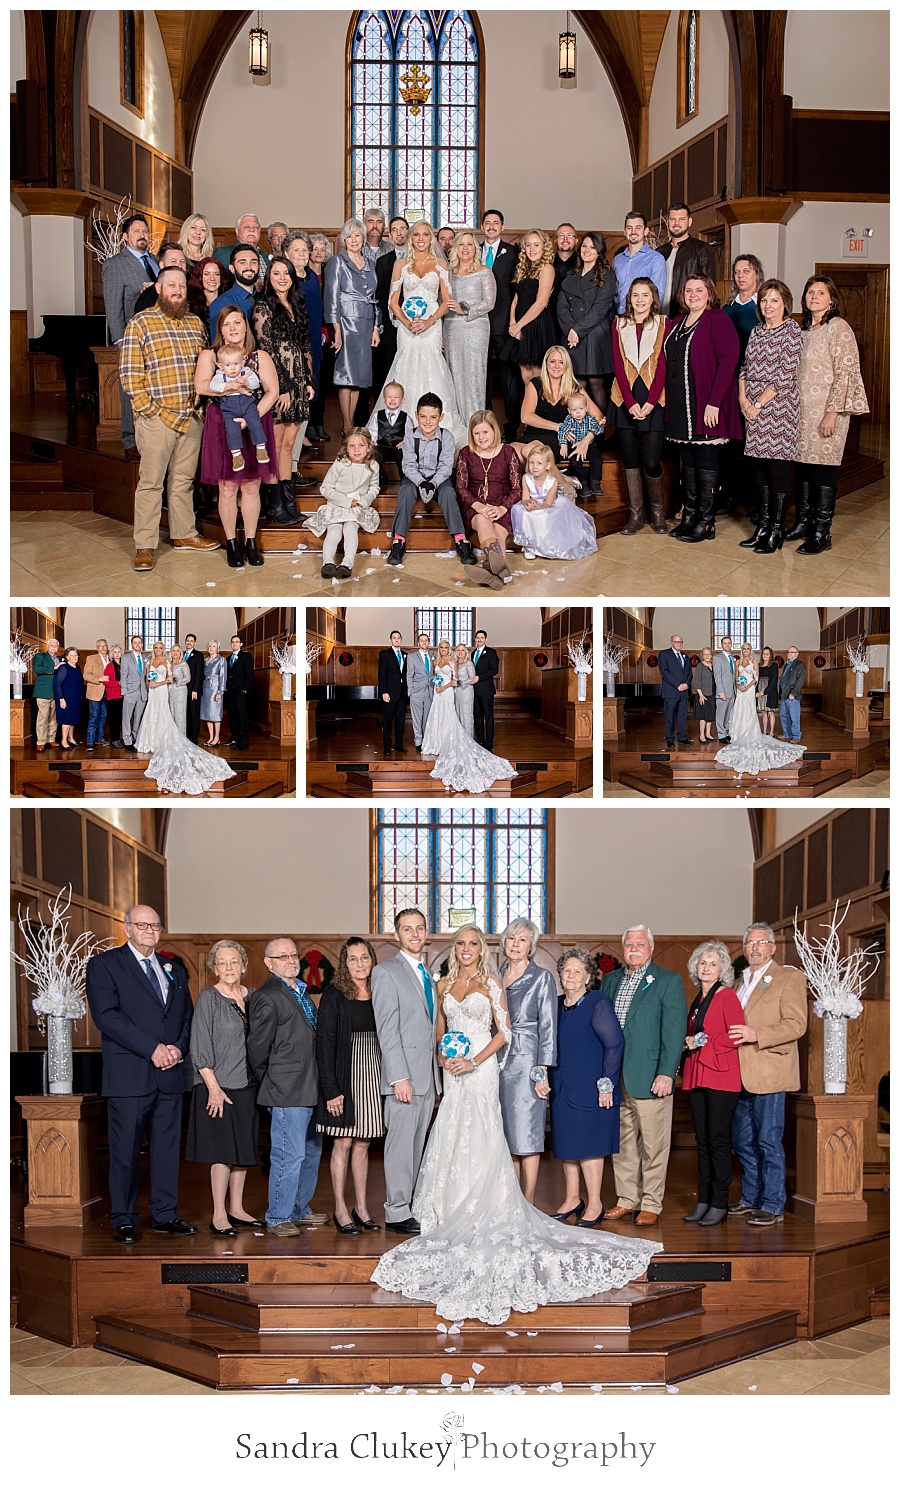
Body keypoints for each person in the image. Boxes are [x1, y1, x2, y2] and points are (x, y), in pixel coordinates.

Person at [372, 924, 661, 1323]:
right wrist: (445, 1057)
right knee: (451, 1134)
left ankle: (488, 1201)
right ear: (454, 949)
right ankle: (447, 1205)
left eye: (474, 943)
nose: (468, 949)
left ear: (481, 949)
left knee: (488, 1135)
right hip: (454, 1073)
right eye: (461, 943)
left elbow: (504, 1031)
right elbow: (439, 1030)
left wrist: (473, 1060)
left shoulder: (493, 981)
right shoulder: (442, 986)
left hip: (483, 1068)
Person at [85, 905, 196, 1243]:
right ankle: (123, 1216)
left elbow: (186, 1017)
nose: (149, 929)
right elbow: (107, 1017)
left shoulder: (173, 969)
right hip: (130, 1074)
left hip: (170, 1075)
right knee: (126, 1151)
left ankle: (165, 1214)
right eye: (142, 924)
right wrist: (153, 1048)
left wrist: (178, 1047)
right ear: (127, 928)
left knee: (165, 1150)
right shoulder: (105, 965)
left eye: (155, 925)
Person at [119, 265, 220, 572]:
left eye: (181, 286)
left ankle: (183, 534)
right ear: (159, 289)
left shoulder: (194, 324)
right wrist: (149, 410)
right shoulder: (140, 323)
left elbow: (205, 371)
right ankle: (145, 545)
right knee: (150, 483)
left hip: (190, 416)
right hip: (157, 418)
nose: (177, 290)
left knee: (183, 481)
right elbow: (130, 376)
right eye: (170, 285)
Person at [599, 926, 687, 1226]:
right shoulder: (610, 980)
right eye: (628, 944)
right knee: (622, 1144)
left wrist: (666, 1073)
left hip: (650, 1076)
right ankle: (626, 1199)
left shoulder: (667, 981)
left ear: (651, 946)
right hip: (616, 1076)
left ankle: (651, 1203)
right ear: (622, 948)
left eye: (640, 944)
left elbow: (674, 1032)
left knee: (653, 1145)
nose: (633, 949)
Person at [729, 922, 808, 1226]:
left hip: (770, 1071)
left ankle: (773, 1204)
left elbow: (796, 1025)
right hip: (739, 1074)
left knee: (768, 1141)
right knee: (744, 1141)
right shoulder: (739, 981)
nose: (755, 948)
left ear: (772, 948)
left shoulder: (789, 978)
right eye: (749, 943)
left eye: (761, 943)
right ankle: (751, 1198)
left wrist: (755, 1033)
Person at [247, 938, 326, 1235]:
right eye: (283, 956)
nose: (291, 960)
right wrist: (275, 1079)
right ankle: (279, 1216)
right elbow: (257, 1049)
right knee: (288, 1154)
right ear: (269, 963)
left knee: (311, 1150)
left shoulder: (300, 991)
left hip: (310, 1085)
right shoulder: (268, 995)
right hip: (286, 1088)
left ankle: (298, 1208)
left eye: (294, 955)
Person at [371, 907, 441, 1233]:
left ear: (426, 933)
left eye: (420, 928)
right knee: (399, 1148)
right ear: (396, 934)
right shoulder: (386, 972)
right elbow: (387, 1030)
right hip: (405, 1078)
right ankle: (396, 1212)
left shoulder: (428, 974)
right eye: (407, 929)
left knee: (415, 1147)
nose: (414, 934)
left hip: (427, 1077)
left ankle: (410, 1206)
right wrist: (399, 1076)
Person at [195, 306, 282, 562]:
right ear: (219, 329)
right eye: (226, 324)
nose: (233, 328)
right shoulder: (211, 356)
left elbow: (272, 391)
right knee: (228, 487)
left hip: (253, 422)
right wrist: (228, 388)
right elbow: (201, 386)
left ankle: (251, 542)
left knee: (252, 487)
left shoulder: (259, 356)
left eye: (237, 322)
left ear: (246, 326)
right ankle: (232, 543)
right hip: (222, 423)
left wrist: (249, 418)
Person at [187, 939, 261, 1236]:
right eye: (222, 962)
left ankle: (237, 1208)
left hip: (247, 1085)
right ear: (214, 967)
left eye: (234, 962)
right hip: (218, 1086)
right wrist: (214, 1089)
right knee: (222, 1152)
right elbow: (199, 1046)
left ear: (243, 965)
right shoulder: (209, 999)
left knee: (242, 1149)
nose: (228, 967)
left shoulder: (254, 997)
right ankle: (219, 1214)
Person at [793, 275, 869, 555]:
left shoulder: (839, 328)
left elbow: (846, 373)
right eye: (810, 292)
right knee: (801, 467)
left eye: (820, 293)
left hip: (827, 411)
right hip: (801, 412)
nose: (814, 297)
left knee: (823, 469)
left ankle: (822, 533)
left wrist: (833, 412)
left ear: (832, 299)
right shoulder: (803, 329)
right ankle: (803, 523)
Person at [664, 275, 742, 544]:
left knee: (707, 462)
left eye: (700, 290)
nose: (693, 295)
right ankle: (690, 516)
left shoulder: (716, 319)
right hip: (680, 405)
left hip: (706, 402)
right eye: (689, 290)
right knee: (688, 463)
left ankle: (707, 522)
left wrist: (714, 402)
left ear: (709, 294)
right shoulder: (676, 323)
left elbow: (729, 359)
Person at [550, 948, 625, 1225]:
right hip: (562, 1087)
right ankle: (572, 1199)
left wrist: (607, 1084)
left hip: (593, 1087)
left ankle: (595, 1203)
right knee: (567, 1145)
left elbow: (614, 1043)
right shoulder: (556, 1004)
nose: (570, 975)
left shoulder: (597, 1002)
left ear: (588, 977)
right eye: (566, 970)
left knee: (590, 1147)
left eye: (577, 971)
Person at [315, 937, 386, 1234]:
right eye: (353, 959)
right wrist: (331, 1090)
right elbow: (324, 1045)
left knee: (363, 1142)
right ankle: (340, 1209)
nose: (360, 964)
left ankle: (361, 1207)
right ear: (345, 963)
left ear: (372, 959)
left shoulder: (380, 990)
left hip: (374, 1072)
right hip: (345, 1074)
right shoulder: (334, 994)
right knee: (343, 1142)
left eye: (364, 957)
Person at [373, 220, 465, 443]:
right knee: (405, 365)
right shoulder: (401, 264)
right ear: (411, 238)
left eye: (425, 235)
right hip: (407, 326)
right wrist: (406, 322)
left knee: (431, 366)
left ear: (430, 238)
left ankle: (435, 423)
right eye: (416, 235)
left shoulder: (441, 265)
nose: (421, 239)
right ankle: (401, 424)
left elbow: (447, 301)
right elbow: (393, 301)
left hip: (431, 326)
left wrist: (429, 321)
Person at [681, 941, 744, 1226]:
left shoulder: (726, 996)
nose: (706, 967)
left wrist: (701, 1042)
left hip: (720, 1075)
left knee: (718, 1142)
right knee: (702, 1141)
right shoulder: (698, 999)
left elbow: (736, 1035)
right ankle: (703, 1199)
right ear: (696, 967)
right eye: (703, 962)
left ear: (722, 969)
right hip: (697, 1075)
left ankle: (719, 1202)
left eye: (713, 963)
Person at [737, 279, 803, 553]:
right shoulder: (756, 332)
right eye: (764, 300)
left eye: (774, 300)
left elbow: (785, 374)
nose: (768, 306)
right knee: (760, 467)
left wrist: (758, 404)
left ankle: (776, 529)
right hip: (751, 407)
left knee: (776, 468)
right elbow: (745, 367)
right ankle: (762, 526)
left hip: (779, 408)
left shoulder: (792, 331)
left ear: (785, 304)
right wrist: (743, 399)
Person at [386, 393, 480, 576]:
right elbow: (408, 465)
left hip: (439, 477)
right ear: (416, 415)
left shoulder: (447, 437)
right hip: (415, 477)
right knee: (405, 490)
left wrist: (433, 483)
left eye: (433, 417)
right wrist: (421, 482)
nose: (427, 421)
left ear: (441, 417)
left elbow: (445, 467)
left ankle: (461, 539)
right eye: (423, 417)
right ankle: (399, 540)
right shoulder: (410, 437)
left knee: (448, 493)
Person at [498, 918, 557, 1204]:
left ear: (531, 945)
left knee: (528, 1133)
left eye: (522, 939)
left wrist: (541, 1070)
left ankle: (529, 1200)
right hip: (497, 1062)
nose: (516, 944)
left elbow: (548, 1027)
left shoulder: (541, 977)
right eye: (512, 938)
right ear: (504, 942)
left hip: (527, 1063)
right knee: (506, 1132)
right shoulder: (495, 975)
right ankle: (511, 1199)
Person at [252, 256, 316, 508]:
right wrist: (284, 387)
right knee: (276, 444)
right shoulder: (263, 308)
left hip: (299, 381)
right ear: (269, 278)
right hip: (278, 384)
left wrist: (308, 381)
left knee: (289, 445)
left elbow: (305, 345)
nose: (281, 277)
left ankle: (288, 504)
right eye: (276, 273)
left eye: (286, 273)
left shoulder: (296, 304)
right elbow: (265, 350)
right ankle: (274, 505)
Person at [136, 641, 236, 794]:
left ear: (164, 650)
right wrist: (150, 682)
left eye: (161, 648)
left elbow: (170, 679)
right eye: (156, 648)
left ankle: (165, 739)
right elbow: (147, 678)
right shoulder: (150, 661)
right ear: (154, 649)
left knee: (164, 714)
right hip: (153, 693)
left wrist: (158, 683)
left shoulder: (167, 662)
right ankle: (150, 740)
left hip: (162, 690)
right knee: (151, 714)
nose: (158, 650)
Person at [610, 277, 668, 534]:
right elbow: (617, 364)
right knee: (631, 458)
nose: (640, 300)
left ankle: (657, 512)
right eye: (635, 295)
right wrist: (631, 402)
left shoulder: (663, 323)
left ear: (653, 298)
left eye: (645, 295)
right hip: (625, 398)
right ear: (629, 299)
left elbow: (664, 365)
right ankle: (635, 515)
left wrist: (652, 401)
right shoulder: (619, 324)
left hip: (654, 397)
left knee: (652, 460)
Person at [421, 640, 516, 794]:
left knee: (453, 717)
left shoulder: (454, 662)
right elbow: (435, 676)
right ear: (439, 649)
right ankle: (436, 742)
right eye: (442, 647)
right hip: (438, 693)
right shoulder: (436, 661)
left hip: (448, 692)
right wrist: (435, 684)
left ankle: (466, 740)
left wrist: (443, 687)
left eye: (447, 647)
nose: (444, 650)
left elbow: (455, 680)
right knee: (438, 717)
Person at [101, 212, 158, 458]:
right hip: (131, 338)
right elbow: (113, 307)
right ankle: (130, 440)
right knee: (130, 389)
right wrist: (120, 340)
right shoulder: (115, 264)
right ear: (125, 236)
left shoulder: (156, 261)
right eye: (136, 231)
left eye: (145, 231)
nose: (142, 235)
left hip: (156, 338)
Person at [323, 219, 381, 434]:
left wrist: (377, 327)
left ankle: (353, 421)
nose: (354, 240)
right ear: (343, 240)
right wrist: (336, 330)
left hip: (367, 323)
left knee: (359, 377)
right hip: (346, 323)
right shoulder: (337, 262)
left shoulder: (370, 263)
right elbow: (331, 298)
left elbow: (376, 298)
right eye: (349, 236)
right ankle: (346, 423)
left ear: (363, 238)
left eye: (358, 235)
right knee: (346, 375)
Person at [454, 411, 522, 584]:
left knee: (499, 531)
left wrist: (501, 508)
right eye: (476, 433)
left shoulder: (508, 452)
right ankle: (501, 571)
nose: (481, 437)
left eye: (485, 432)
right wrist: (478, 506)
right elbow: (461, 488)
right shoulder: (465, 453)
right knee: (484, 522)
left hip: (503, 506)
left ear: (494, 431)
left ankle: (492, 572)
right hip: (476, 507)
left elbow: (517, 489)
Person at [716, 643, 805, 773]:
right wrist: (739, 685)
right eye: (744, 649)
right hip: (741, 691)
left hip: (751, 689)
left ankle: (793, 735)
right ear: (742, 650)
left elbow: (756, 678)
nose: (746, 650)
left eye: (748, 649)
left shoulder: (755, 662)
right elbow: (736, 677)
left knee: (757, 712)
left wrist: (748, 686)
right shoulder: (737, 662)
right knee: (741, 711)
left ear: (750, 651)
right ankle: (738, 732)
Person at [556, 232, 618, 418]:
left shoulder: (607, 275)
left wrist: (578, 330)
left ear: (599, 251)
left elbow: (600, 309)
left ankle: (600, 428)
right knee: (578, 383)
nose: (587, 250)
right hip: (572, 335)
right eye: (584, 246)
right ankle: (582, 429)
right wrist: (570, 330)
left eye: (592, 247)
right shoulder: (571, 275)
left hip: (595, 335)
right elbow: (561, 307)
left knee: (596, 382)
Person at [305, 426, 380, 579]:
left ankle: (347, 563)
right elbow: (326, 488)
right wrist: (345, 501)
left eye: (361, 445)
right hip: (337, 506)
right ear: (346, 448)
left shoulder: (373, 466)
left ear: (369, 447)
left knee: (351, 528)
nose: (356, 450)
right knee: (334, 530)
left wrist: (364, 501)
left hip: (357, 507)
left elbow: (374, 487)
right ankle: (327, 563)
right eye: (352, 446)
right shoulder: (340, 464)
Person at [516, 345, 603, 471]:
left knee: (531, 451)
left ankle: (563, 485)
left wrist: (586, 440)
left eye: (561, 362)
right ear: (546, 364)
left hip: (559, 438)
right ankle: (562, 480)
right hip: (533, 433)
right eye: (552, 361)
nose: (557, 366)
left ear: (567, 365)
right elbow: (525, 417)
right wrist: (557, 426)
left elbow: (598, 417)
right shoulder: (535, 384)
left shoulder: (574, 388)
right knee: (509, 453)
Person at [443, 229, 497, 426]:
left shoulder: (484, 271)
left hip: (476, 327)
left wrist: (464, 309)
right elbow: (442, 303)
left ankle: (477, 425)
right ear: (455, 248)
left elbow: (489, 302)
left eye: (469, 244)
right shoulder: (447, 273)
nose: (465, 248)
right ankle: (457, 425)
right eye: (461, 244)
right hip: (451, 328)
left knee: (474, 375)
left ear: (476, 248)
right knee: (454, 375)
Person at [511, 444, 598, 562]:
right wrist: (527, 503)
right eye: (531, 463)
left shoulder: (552, 481)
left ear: (548, 465)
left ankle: (545, 543)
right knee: (522, 512)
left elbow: (548, 504)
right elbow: (525, 498)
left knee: (545, 515)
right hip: (533, 502)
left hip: (547, 504)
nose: (534, 467)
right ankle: (529, 545)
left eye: (539, 463)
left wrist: (538, 507)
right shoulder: (526, 477)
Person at [284, 231, 325, 456]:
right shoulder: (286, 278)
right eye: (296, 250)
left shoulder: (310, 275)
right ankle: (295, 441)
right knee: (297, 389)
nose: (301, 254)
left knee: (311, 387)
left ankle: (303, 433)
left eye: (304, 249)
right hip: (295, 343)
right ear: (286, 253)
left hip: (313, 340)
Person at [480, 208, 520, 439]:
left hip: (505, 323)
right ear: (482, 227)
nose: (492, 226)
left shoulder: (513, 252)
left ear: (502, 227)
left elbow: (517, 290)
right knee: (481, 376)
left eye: (496, 223)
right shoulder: (472, 251)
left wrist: (514, 321)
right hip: (477, 323)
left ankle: (511, 427)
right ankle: (485, 425)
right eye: (488, 223)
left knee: (509, 378)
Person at [208, 342, 272, 474]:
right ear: (220, 366)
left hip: (246, 404)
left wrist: (246, 382)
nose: (232, 368)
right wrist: (230, 386)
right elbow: (214, 386)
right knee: (231, 430)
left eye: (236, 364)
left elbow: (255, 383)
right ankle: (236, 455)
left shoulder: (247, 372)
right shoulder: (220, 376)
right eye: (228, 365)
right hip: (229, 407)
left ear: (242, 363)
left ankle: (260, 448)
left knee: (255, 421)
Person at [506, 230, 557, 389]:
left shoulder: (547, 268)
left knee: (538, 377)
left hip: (537, 323)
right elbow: (515, 300)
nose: (532, 249)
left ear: (544, 247)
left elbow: (541, 303)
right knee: (525, 375)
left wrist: (518, 325)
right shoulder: (523, 269)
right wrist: (512, 323)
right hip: (520, 324)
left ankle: (539, 412)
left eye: (536, 245)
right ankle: (527, 412)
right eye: (528, 245)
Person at [371, 216, 409, 401]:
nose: (399, 233)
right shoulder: (383, 262)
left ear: (408, 232)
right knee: (389, 367)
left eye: (402, 228)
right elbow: (380, 294)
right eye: (395, 229)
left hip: (417, 322)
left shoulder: (419, 259)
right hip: (391, 322)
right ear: (390, 234)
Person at [658, 204, 718, 318]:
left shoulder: (702, 249)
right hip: (661, 317)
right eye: (672, 219)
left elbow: (710, 288)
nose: (676, 223)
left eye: (681, 219)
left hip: (688, 315)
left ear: (689, 221)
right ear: (667, 222)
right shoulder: (659, 253)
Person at [613, 211, 667, 315]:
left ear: (646, 231)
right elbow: (613, 292)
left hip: (642, 320)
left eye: (638, 227)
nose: (633, 231)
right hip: (617, 319)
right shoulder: (617, 260)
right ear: (625, 232)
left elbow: (658, 296)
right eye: (629, 228)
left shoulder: (656, 259)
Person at [557, 389, 606, 496]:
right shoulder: (569, 420)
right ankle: (583, 483)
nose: (578, 412)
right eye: (574, 410)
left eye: (581, 409)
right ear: (569, 411)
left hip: (590, 445)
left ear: (586, 409)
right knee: (575, 463)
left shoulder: (590, 419)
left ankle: (595, 482)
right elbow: (562, 431)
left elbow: (597, 431)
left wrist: (600, 425)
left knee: (597, 460)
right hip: (574, 446)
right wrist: (563, 445)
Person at [208, 245, 261, 334]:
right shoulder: (221, 304)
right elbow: (218, 343)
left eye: (253, 262)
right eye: (242, 262)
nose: (249, 267)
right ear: (232, 269)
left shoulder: (265, 299)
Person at [366, 379, 409, 485]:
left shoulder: (406, 417)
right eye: (389, 397)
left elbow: (410, 433)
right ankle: (381, 477)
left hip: (397, 447)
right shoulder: (377, 416)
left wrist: (405, 442)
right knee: (373, 454)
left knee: (404, 456)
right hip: (382, 446)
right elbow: (372, 431)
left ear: (402, 400)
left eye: (396, 397)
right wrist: (372, 441)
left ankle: (404, 477)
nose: (392, 400)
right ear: (384, 399)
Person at [723, 253, 764, 359]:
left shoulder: (764, 308)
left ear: (757, 275)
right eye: (737, 272)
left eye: (746, 271)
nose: (740, 275)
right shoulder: (726, 309)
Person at [657, 633, 693, 748]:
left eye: (681, 642)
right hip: (671, 691)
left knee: (682, 716)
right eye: (677, 642)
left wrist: (686, 684)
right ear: (672, 643)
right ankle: (670, 739)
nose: (679, 644)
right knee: (670, 716)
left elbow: (689, 673)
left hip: (684, 692)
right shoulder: (664, 654)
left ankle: (682, 737)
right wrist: (678, 685)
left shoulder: (686, 657)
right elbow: (664, 672)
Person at [213, 213, 269, 282]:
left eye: (256, 227)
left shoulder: (266, 257)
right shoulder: (223, 253)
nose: (251, 230)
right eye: (246, 226)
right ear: (237, 230)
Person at [378, 630, 408, 758]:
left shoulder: (405, 654)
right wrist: (384, 691)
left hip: (402, 692)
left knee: (401, 720)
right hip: (389, 693)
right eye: (394, 638)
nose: (396, 640)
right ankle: (387, 747)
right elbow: (381, 674)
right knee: (388, 720)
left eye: (398, 638)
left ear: (401, 640)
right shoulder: (385, 654)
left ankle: (399, 744)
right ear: (390, 640)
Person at [186, 255, 230, 336]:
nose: (212, 278)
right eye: (206, 274)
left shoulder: (229, 303)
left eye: (216, 274)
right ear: (199, 277)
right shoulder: (190, 307)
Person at [471, 629, 500, 751]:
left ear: (485, 639)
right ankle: (480, 740)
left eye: (482, 637)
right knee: (477, 716)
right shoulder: (472, 654)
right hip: (474, 690)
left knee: (488, 717)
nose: (479, 639)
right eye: (477, 637)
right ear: (475, 639)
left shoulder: (491, 653)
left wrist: (479, 677)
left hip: (486, 690)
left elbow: (494, 670)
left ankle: (489, 741)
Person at [405, 632, 434, 753]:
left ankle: (426, 740)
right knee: (417, 718)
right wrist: (410, 691)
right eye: (421, 640)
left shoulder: (433, 656)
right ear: (418, 643)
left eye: (426, 640)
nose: (424, 642)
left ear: (429, 642)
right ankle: (418, 741)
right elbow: (409, 675)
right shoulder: (412, 657)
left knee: (427, 718)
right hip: (416, 692)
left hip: (430, 691)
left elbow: (433, 674)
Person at [224, 635, 253, 751]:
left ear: (241, 644)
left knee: (242, 717)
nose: (234, 644)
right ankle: (234, 738)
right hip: (230, 692)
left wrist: (244, 690)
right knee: (232, 716)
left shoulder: (246, 656)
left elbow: (249, 675)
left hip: (241, 691)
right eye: (232, 642)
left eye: (237, 642)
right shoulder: (227, 659)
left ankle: (244, 742)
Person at [32, 636, 61, 751]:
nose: (54, 647)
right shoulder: (40, 656)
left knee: (53, 717)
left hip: (56, 692)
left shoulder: (60, 658)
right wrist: (54, 668)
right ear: (47, 646)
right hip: (43, 691)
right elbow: (37, 670)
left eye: (56, 646)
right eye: (52, 645)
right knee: (43, 717)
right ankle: (41, 741)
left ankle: (51, 738)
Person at [82, 638, 110, 751]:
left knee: (103, 717)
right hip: (95, 692)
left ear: (107, 648)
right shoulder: (91, 658)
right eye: (100, 646)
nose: (103, 648)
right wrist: (99, 679)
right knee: (94, 717)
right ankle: (90, 742)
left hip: (107, 692)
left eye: (105, 646)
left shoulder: (111, 659)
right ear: (97, 648)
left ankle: (100, 738)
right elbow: (86, 675)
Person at [120, 635, 148, 750]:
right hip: (130, 692)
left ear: (142, 644)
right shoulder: (126, 658)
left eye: (139, 642)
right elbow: (123, 676)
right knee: (127, 717)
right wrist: (124, 692)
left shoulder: (145, 658)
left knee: (138, 717)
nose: (137, 645)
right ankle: (127, 740)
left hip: (142, 692)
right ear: (132, 645)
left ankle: (135, 738)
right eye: (135, 643)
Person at [53, 647, 82, 750]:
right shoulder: (64, 668)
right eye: (71, 655)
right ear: (67, 657)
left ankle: (71, 738)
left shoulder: (77, 667)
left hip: (75, 698)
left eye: (75, 655)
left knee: (72, 719)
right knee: (66, 720)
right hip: (65, 698)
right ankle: (64, 741)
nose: (74, 657)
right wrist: (61, 699)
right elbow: (57, 684)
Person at [201, 639, 227, 746]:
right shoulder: (205, 660)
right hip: (205, 688)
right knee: (207, 714)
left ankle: (217, 737)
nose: (211, 648)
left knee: (215, 714)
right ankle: (211, 737)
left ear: (218, 648)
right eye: (210, 646)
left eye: (214, 646)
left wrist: (220, 692)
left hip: (215, 689)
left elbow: (223, 677)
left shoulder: (221, 660)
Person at [779, 644, 807, 743]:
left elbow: (800, 681)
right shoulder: (787, 664)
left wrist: (793, 693)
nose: (790, 654)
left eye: (792, 652)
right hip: (784, 694)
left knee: (794, 717)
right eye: (789, 652)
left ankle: (796, 736)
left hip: (792, 695)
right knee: (783, 715)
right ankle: (787, 734)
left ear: (797, 654)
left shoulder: (800, 664)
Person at [712, 636, 736, 744]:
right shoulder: (717, 658)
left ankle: (726, 733)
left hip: (732, 692)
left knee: (728, 715)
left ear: (731, 645)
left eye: (729, 643)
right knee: (721, 714)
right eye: (725, 643)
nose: (727, 645)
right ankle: (721, 734)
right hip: (723, 692)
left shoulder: (733, 658)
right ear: (721, 645)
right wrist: (721, 692)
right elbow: (717, 676)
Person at [182, 633, 204, 745]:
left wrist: (195, 690)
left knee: (194, 714)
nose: (189, 642)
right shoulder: (182, 654)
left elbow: (199, 674)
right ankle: (186, 735)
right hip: (182, 690)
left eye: (191, 641)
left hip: (193, 690)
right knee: (186, 713)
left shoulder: (198, 655)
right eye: (187, 640)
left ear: (194, 643)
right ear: (185, 642)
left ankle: (194, 738)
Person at [453, 643, 477, 734]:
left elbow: (472, 679)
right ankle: (460, 739)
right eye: (458, 650)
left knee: (466, 715)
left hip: (466, 691)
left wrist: (460, 683)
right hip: (456, 692)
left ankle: (468, 739)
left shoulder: (468, 663)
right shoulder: (455, 663)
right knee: (458, 715)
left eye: (462, 650)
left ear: (466, 652)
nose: (460, 652)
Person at [694, 646, 716, 743]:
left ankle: (708, 734)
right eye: (705, 654)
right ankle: (702, 736)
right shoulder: (700, 666)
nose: (707, 656)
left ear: (711, 655)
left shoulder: (714, 665)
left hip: (712, 694)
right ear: (702, 656)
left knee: (710, 715)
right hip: (702, 694)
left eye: (709, 654)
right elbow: (697, 681)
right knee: (703, 716)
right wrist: (701, 695)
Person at [756, 645, 779, 737]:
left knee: (770, 712)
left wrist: (764, 692)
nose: (765, 656)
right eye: (764, 654)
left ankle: (771, 733)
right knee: (763, 712)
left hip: (770, 691)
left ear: (770, 655)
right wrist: (757, 692)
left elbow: (774, 681)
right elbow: (756, 679)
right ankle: (764, 731)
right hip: (760, 691)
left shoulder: (774, 665)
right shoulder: (759, 666)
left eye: (767, 654)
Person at [168, 644, 190, 733]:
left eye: (177, 651)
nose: (175, 653)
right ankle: (172, 737)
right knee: (171, 713)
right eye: (173, 650)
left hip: (180, 690)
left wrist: (176, 681)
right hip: (170, 690)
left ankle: (181, 737)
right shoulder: (168, 663)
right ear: (171, 652)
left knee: (179, 714)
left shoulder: (183, 663)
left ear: (180, 653)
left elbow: (188, 678)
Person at [105, 645, 124, 748]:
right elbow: (105, 681)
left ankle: (118, 738)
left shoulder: (123, 665)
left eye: (119, 651)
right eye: (115, 652)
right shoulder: (109, 666)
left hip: (122, 695)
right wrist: (118, 683)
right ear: (112, 654)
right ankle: (114, 739)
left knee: (120, 718)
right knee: (114, 719)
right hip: (113, 695)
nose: (117, 653)